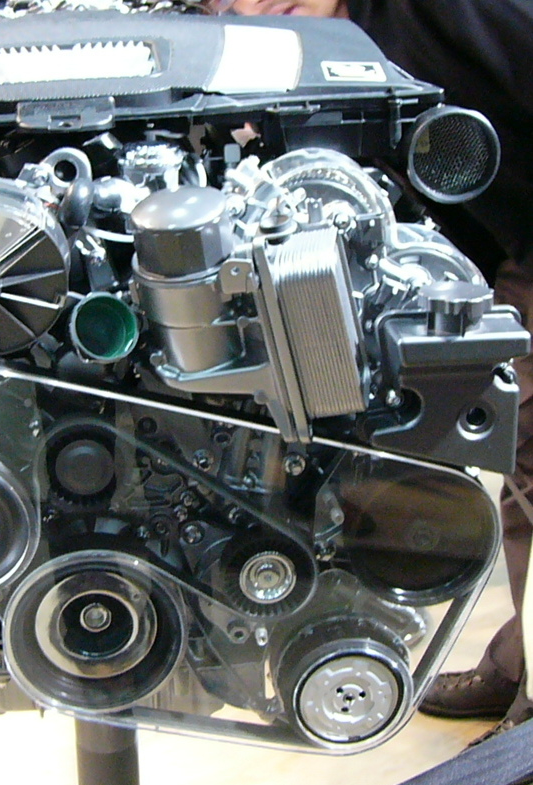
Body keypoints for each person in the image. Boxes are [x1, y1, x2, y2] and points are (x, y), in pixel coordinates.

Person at [227, 0, 533, 744]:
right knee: (516, 462)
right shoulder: (291, 52)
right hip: (486, 263)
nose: (254, 2)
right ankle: (521, 656)